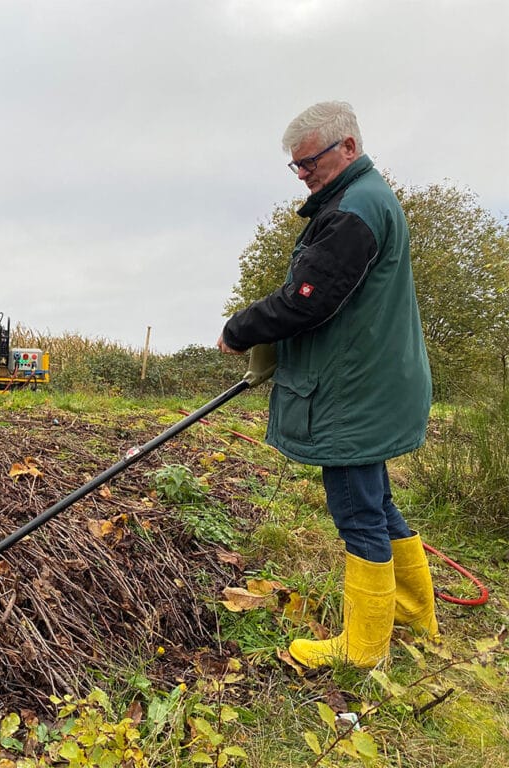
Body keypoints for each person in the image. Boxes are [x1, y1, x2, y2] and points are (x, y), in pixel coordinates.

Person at [217, 101, 437, 669]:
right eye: (295, 166)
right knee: (377, 499)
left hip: (354, 390)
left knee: (357, 509)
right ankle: (413, 610)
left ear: (347, 148)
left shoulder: (355, 209)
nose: (302, 173)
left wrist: (240, 330)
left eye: (308, 161)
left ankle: (362, 650)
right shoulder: (364, 198)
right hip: (373, 381)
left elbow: (307, 300)